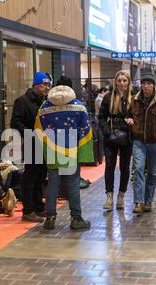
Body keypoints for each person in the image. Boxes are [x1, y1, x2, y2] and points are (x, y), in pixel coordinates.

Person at [35, 77, 94, 230]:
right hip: (72, 149)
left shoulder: (45, 106)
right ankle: (76, 218)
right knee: (73, 184)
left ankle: (50, 217)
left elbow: (38, 129)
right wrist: (82, 151)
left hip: (53, 150)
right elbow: (86, 130)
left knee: (52, 184)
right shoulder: (79, 107)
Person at [126, 73, 156, 214]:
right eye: (143, 83)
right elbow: (128, 115)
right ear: (140, 85)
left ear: (153, 85)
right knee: (138, 169)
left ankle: (148, 201)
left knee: (152, 172)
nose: (146, 86)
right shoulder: (134, 100)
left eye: (149, 83)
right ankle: (139, 202)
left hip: (155, 142)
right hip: (138, 141)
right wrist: (129, 121)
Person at [11, 72, 51, 223]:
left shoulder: (46, 102)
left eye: (48, 85)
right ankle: (28, 210)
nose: (47, 87)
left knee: (41, 177)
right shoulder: (22, 101)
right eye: (44, 84)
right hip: (31, 143)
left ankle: (39, 207)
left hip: (44, 143)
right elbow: (15, 123)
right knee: (30, 178)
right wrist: (31, 134)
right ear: (35, 85)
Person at [98, 71, 133, 211]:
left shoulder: (134, 98)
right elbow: (101, 117)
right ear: (115, 82)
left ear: (128, 82)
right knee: (110, 166)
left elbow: (139, 116)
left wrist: (133, 121)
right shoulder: (108, 98)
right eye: (119, 80)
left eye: (125, 80)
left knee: (125, 167)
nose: (122, 83)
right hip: (111, 136)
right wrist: (106, 131)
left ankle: (121, 196)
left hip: (127, 136)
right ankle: (109, 196)